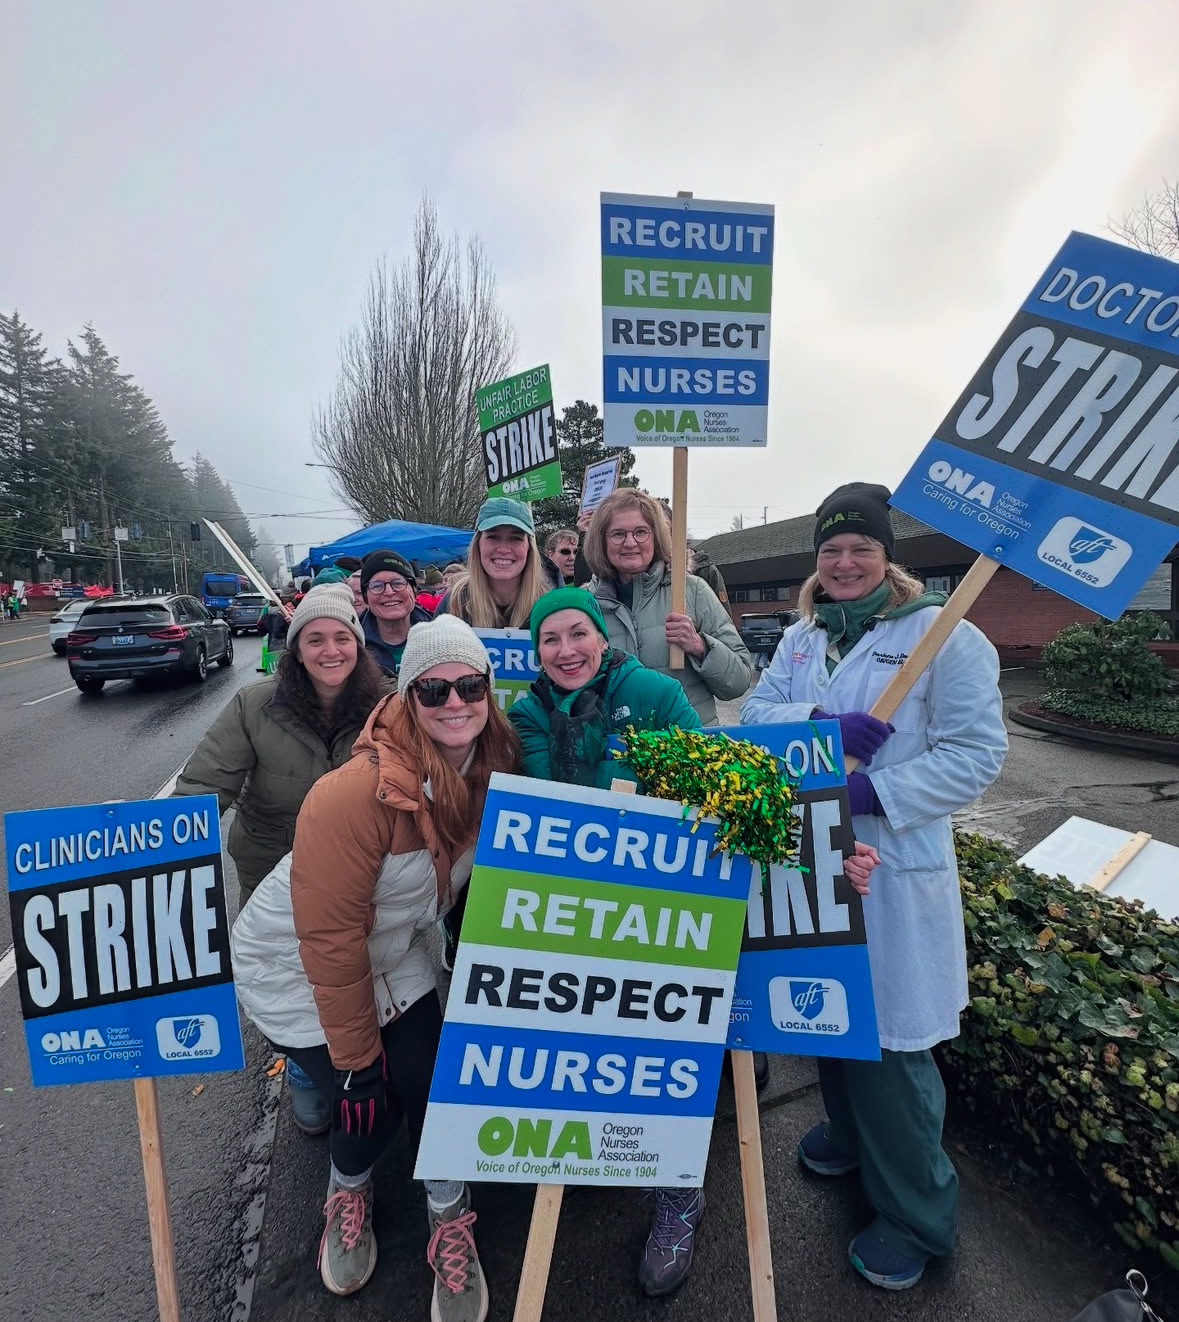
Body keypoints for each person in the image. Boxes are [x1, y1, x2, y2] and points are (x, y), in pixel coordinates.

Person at [508, 586, 879, 1298]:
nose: (565, 650)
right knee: (589, 1053)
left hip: (666, 909)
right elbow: (540, 795)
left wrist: (826, 857)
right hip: (575, 913)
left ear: (599, 636)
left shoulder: (651, 690)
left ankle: (677, 1194)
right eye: (548, 639)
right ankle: (593, 1156)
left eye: (576, 633)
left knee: (668, 1059)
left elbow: (726, 786)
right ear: (536, 652)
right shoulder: (524, 714)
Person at [741, 482, 1007, 1291]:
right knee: (829, 1016)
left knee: (891, 1046)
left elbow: (975, 756)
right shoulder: (799, 640)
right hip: (810, 858)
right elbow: (755, 714)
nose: (844, 562)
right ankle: (849, 1138)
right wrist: (816, 725)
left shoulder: (943, 637)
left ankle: (915, 1216)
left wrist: (871, 793)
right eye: (831, 551)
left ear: (887, 558)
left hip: (891, 870)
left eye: (859, 549)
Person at [230, 615, 519, 1317]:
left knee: (433, 1081)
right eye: (434, 690)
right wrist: (357, 1062)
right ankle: (347, 1190)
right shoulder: (351, 794)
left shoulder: (493, 769)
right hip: (296, 965)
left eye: (469, 686)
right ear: (407, 699)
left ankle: (449, 1215)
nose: (454, 702)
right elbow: (327, 942)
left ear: (488, 689)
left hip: (395, 950)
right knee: (371, 1101)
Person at [174, 584, 387, 1133]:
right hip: (274, 868)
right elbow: (203, 785)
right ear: (295, 650)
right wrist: (161, 851)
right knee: (285, 980)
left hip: (360, 872)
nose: (330, 650)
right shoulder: (255, 705)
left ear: (359, 647)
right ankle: (306, 1072)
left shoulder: (387, 705)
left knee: (357, 968)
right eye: (315, 639)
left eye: (343, 637)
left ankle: (366, 1062)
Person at [584, 489, 753, 724]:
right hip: (616, 752)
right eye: (618, 534)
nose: (630, 542)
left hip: (688, 748)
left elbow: (739, 682)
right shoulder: (585, 604)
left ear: (657, 537)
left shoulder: (692, 591)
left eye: (641, 532)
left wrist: (700, 646)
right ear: (601, 540)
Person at [437, 497, 557, 627]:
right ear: (478, 544)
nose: (504, 549)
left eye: (515, 538)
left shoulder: (550, 606)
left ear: (529, 547)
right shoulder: (453, 604)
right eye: (493, 537)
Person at [358, 548, 432, 678]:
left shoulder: (440, 635)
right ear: (366, 598)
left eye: (398, 583)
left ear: (414, 591)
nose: (389, 592)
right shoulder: (355, 645)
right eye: (377, 586)